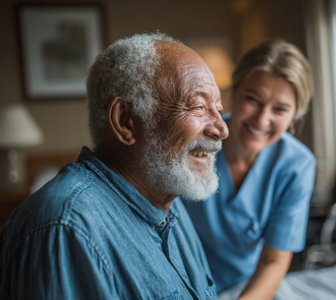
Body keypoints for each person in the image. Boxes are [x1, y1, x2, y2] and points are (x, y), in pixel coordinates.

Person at [0, 33, 228, 299]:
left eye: (219, 109)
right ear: (125, 121)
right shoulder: (65, 228)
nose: (222, 129)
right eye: (199, 107)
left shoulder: (169, 197)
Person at [184, 39, 316, 299]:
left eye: (280, 109)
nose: (262, 119)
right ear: (234, 91)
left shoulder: (297, 165)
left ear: (294, 116)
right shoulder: (193, 142)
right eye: (253, 100)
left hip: (248, 287)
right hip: (183, 280)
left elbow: (274, 261)